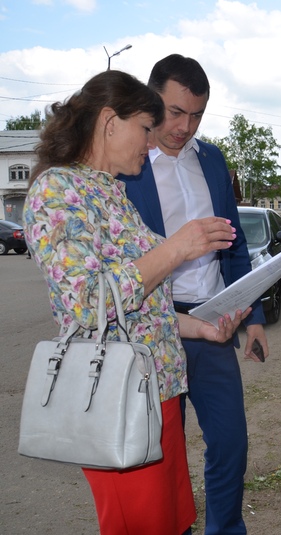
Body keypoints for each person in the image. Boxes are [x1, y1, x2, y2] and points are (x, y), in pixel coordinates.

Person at [23, 70, 249, 534]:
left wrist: (203, 329)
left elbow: (140, 306)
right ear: (110, 121)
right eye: (146, 128)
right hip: (117, 399)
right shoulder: (57, 191)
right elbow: (87, 305)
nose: (151, 142)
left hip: (157, 392)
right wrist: (176, 249)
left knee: (172, 524)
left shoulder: (111, 192)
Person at [118, 54, 267, 535]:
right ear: (150, 98)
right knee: (161, 451)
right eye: (175, 112)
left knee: (230, 444)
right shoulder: (127, 166)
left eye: (197, 114)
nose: (185, 126)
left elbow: (235, 244)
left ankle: (225, 529)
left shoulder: (213, 160)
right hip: (152, 330)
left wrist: (254, 317)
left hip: (213, 325)